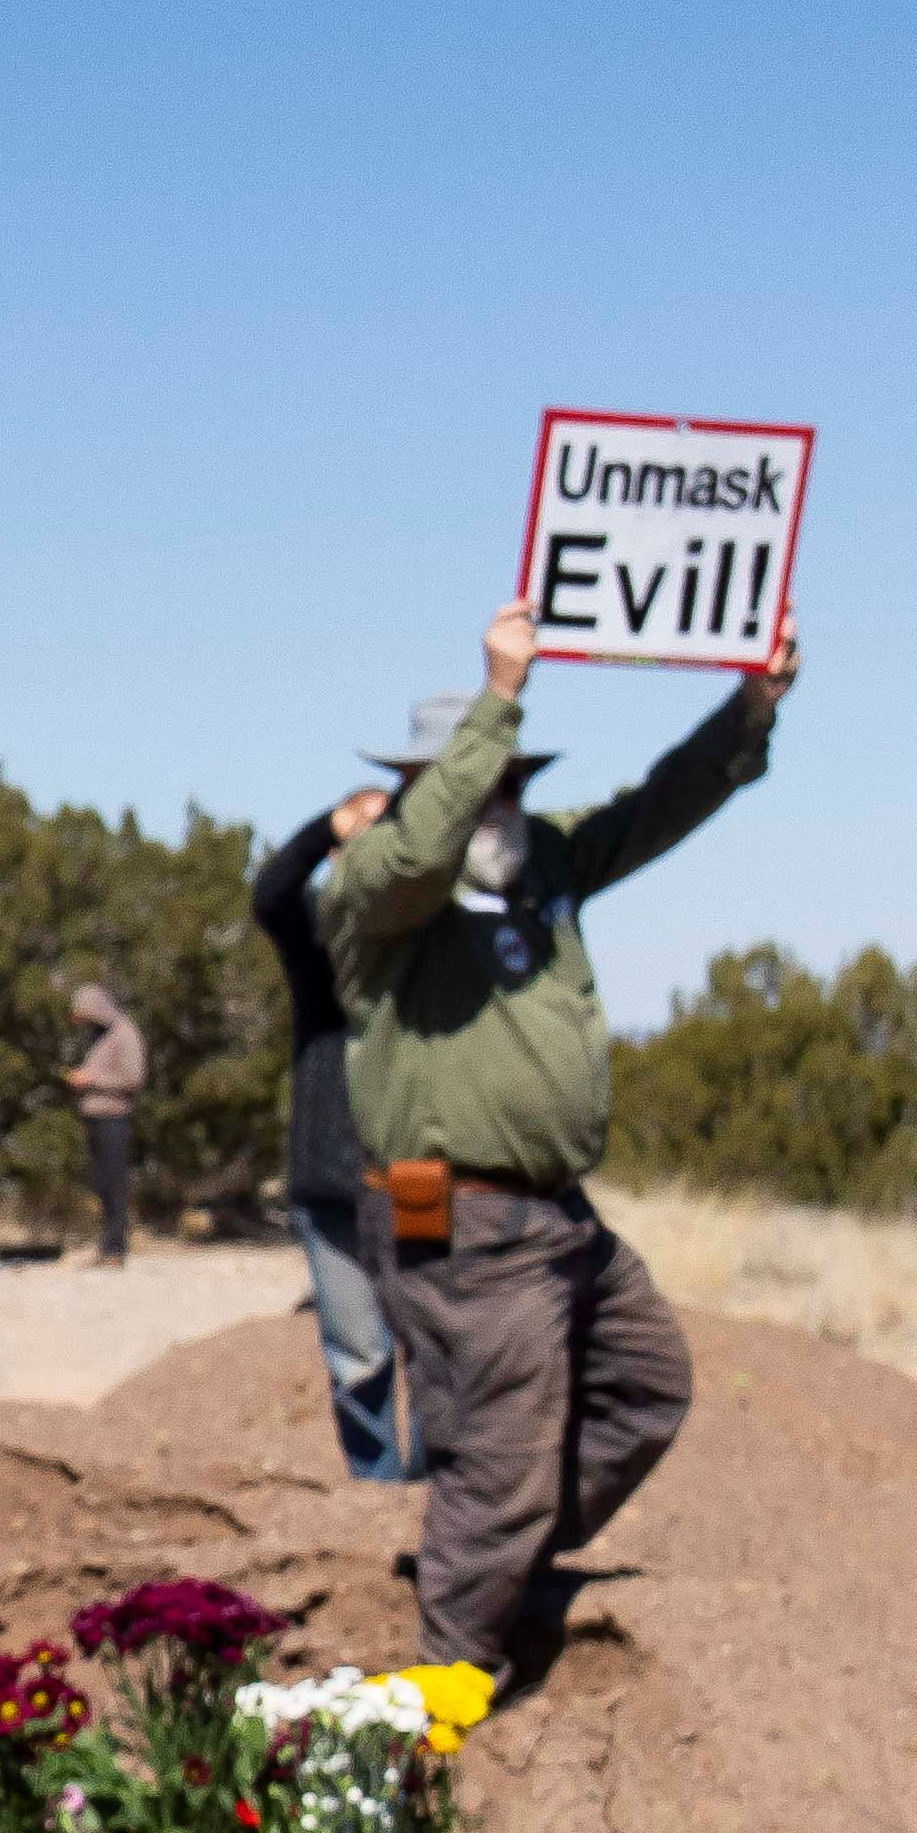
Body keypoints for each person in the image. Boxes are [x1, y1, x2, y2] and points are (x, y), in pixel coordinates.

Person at [317, 597, 794, 1678]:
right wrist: (497, 697)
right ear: (419, 791)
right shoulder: (375, 894)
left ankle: (504, 1560)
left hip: (557, 1217)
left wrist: (750, 705)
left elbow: (661, 805)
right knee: (504, 1450)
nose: (506, 799)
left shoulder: (546, 872)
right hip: (460, 1216)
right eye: (483, 779)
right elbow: (417, 851)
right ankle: (448, 1689)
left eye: (515, 777)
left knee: (643, 1383)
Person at [248, 790, 413, 1480]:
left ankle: (440, 1503)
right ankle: (376, 1499)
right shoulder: (315, 937)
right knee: (358, 1357)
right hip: (330, 1175)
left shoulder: (429, 942)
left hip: (418, 1174)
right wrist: (327, 826)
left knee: (436, 1347)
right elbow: (271, 895)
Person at [60, 977, 143, 1268]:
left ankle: (115, 1250)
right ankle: (104, 1246)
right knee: (102, 1185)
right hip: (94, 1117)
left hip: (114, 1118)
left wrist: (92, 1080)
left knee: (115, 1184)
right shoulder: (98, 1037)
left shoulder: (125, 1033)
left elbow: (134, 1078)